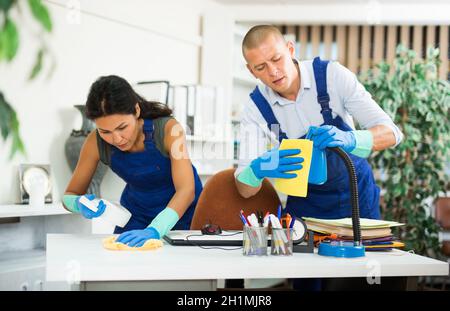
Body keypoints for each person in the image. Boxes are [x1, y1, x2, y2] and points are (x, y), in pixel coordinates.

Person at [234, 25, 403, 290]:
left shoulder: (332, 76)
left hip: (356, 201)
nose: (273, 72)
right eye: (260, 67)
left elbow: (392, 133)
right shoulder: (256, 107)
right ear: (250, 70)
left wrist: (351, 139)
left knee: (364, 280)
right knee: (308, 283)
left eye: (276, 59)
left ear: (290, 50)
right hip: (306, 207)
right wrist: (257, 169)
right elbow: (244, 189)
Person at [62, 75, 202, 247]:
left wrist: (155, 229)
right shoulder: (94, 142)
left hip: (182, 213)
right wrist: (78, 204)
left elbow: (187, 190)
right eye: (105, 132)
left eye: (122, 127)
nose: (117, 139)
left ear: (136, 110)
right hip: (136, 214)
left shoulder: (169, 129)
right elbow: (69, 196)